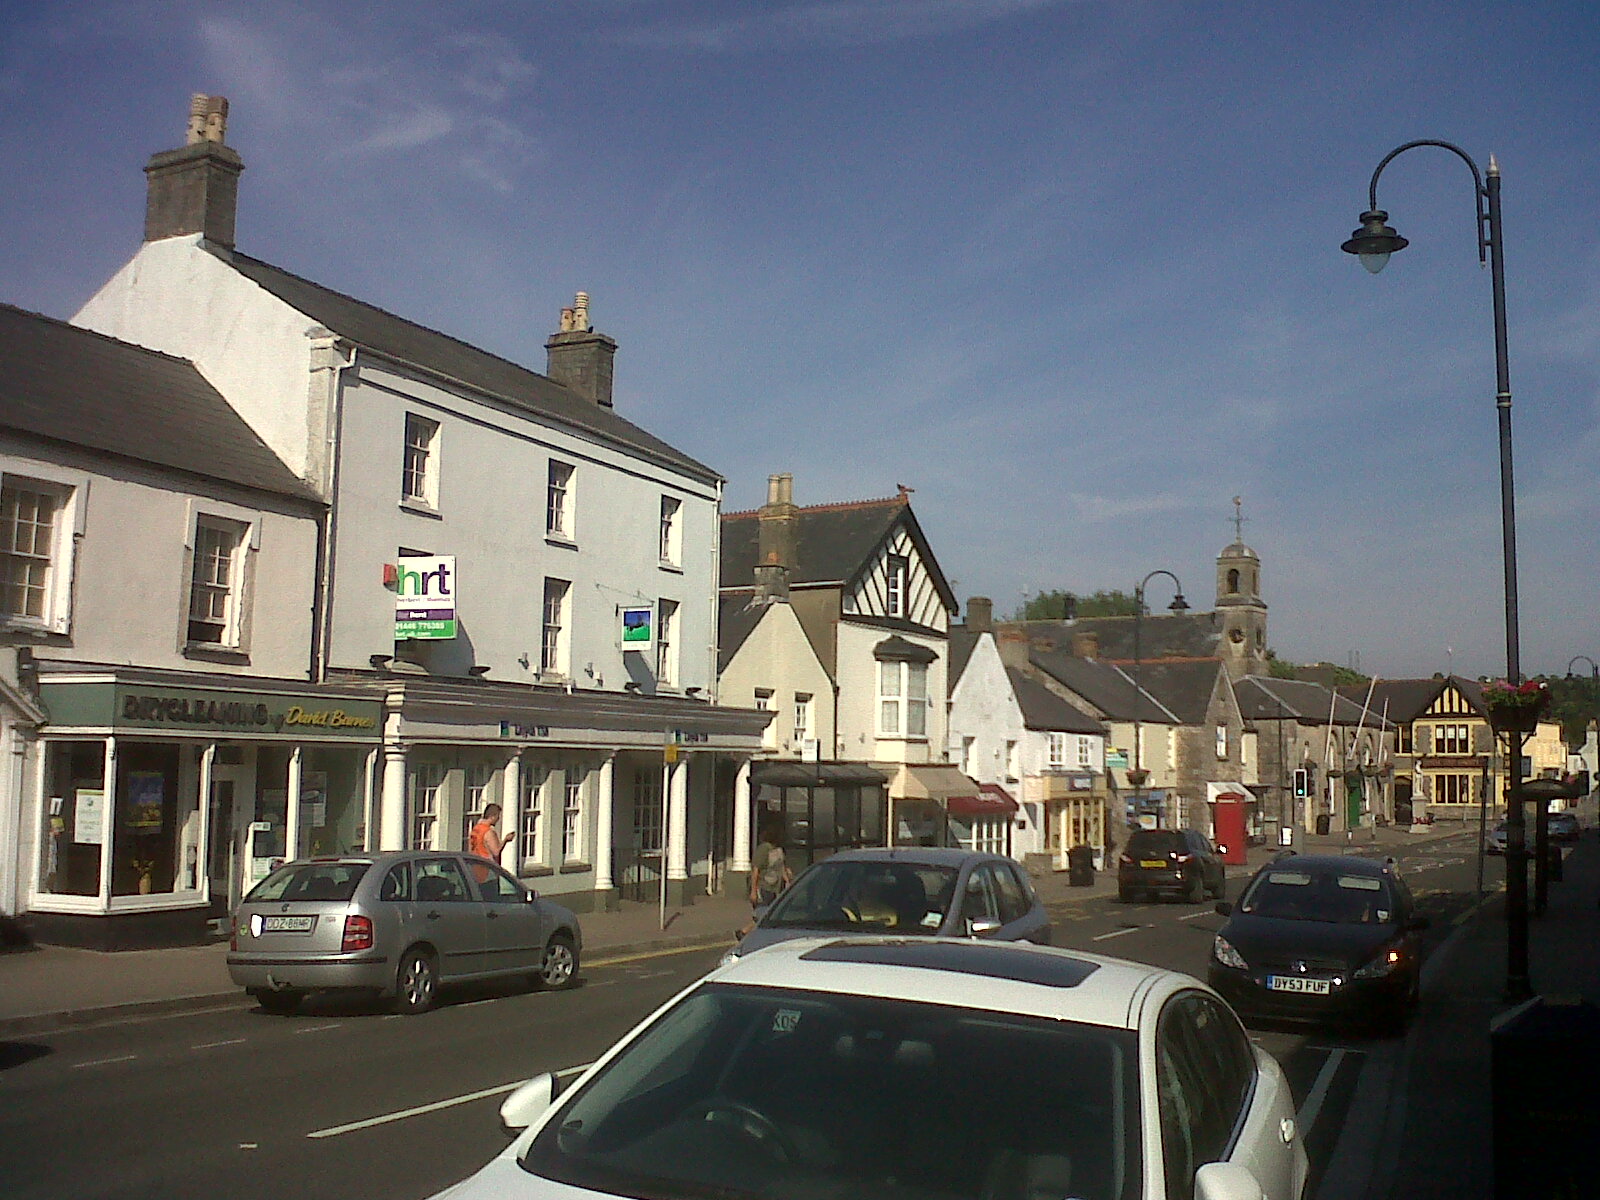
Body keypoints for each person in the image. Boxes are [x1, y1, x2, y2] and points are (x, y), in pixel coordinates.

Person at [737, 820, 792, 939]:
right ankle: (744, 932)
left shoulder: (778, 849)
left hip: (776, 888)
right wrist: (753, 891)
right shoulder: (763, 849)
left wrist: (787, 881)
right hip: (764, 887)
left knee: (768, 914)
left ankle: (746, 933)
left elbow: (781, 866)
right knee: (764, 914)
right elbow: (756, 870)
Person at [467, 802, 510, 883]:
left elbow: (470, 848)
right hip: (488, 870)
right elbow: (496, 852)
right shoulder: (488, 832)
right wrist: (505, 840)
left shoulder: (475, 829)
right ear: (492, 816)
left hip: (474, 868)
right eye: (498, 816)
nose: (498, 819)